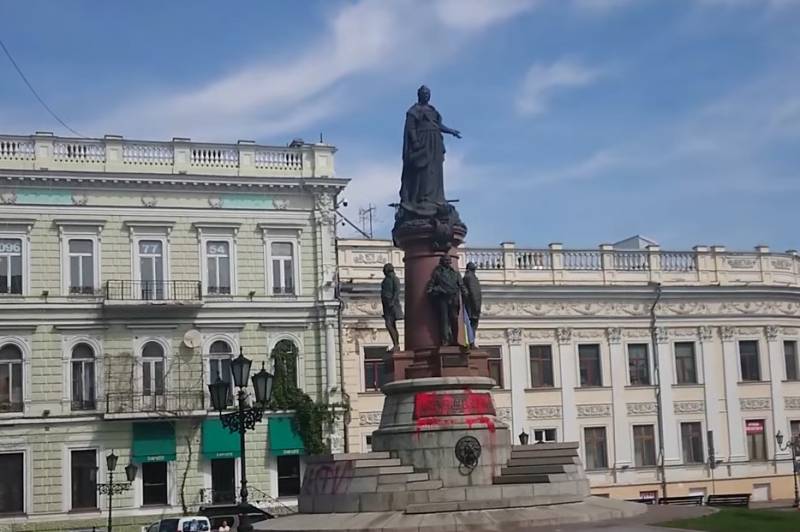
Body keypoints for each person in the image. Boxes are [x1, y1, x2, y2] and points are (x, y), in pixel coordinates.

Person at [400, 85, 461, 213]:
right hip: (423, 142)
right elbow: (410, 128)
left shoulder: (433, 110)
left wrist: (451, 131)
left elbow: (438, 125)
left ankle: (436, 198)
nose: (426, 95)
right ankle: (422, 198)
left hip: (435, 143)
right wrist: (415, 141)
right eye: (424, 93)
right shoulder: (414, 110)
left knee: (435, 171)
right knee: (423, 171)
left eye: (428, 93)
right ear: (419, 95)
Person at [426, 255, 464, 346]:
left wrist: (466, 293)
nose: (448, 262)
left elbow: (462, 285)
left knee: (454, 319)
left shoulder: (455, 273)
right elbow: (430, 288)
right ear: (442, 261)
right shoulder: (437, 273)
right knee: (444, 320)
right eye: (446, 260)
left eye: (449, 260)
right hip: (443, 299)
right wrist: (438, 289)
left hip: (454, 299)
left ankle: (455, 340)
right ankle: (445, 340)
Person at [381, 263, 403, 351]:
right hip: (387, 306)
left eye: (384, 270)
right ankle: (396, 345)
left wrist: (392, 302)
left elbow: (397, 291)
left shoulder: (394, 278)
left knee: (389, 324)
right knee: (391, 325)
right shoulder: (386, 280)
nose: (384, 272)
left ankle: (396, 345)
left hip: (392, 305)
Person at [462, 262, 482, 347]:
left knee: (470, 324)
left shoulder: (469, 277)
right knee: (472, 324)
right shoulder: (470, 277)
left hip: (471, 304)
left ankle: (471, 341)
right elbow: (474, 292)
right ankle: (471, 341)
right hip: (472, 305)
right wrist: (476, 307)